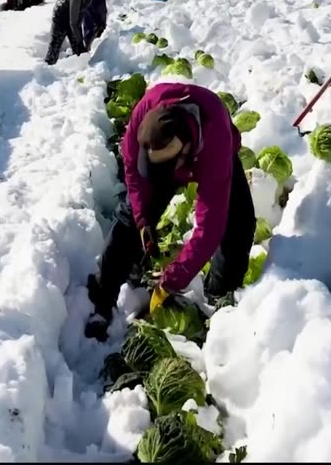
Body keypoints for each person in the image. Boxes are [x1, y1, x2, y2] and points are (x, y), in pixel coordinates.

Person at [84, 82, 257, 340]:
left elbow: (210, 226)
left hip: (209, 150)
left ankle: (218, 292)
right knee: (129, 215)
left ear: (184, 152)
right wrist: (143, 220)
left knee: (238, 223)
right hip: (168, 156)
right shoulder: (144, 115)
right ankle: (103, 297)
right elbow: (132, 171)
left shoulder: (215, 142)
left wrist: (173, 279)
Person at [44, 0, 110, 65]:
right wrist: (79, 42)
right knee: (55, 46)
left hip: (74, 20)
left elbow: (88, 12)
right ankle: (47, 69)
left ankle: (77, 68)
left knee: (79, 51)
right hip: (61, 19)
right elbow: (73, 22)